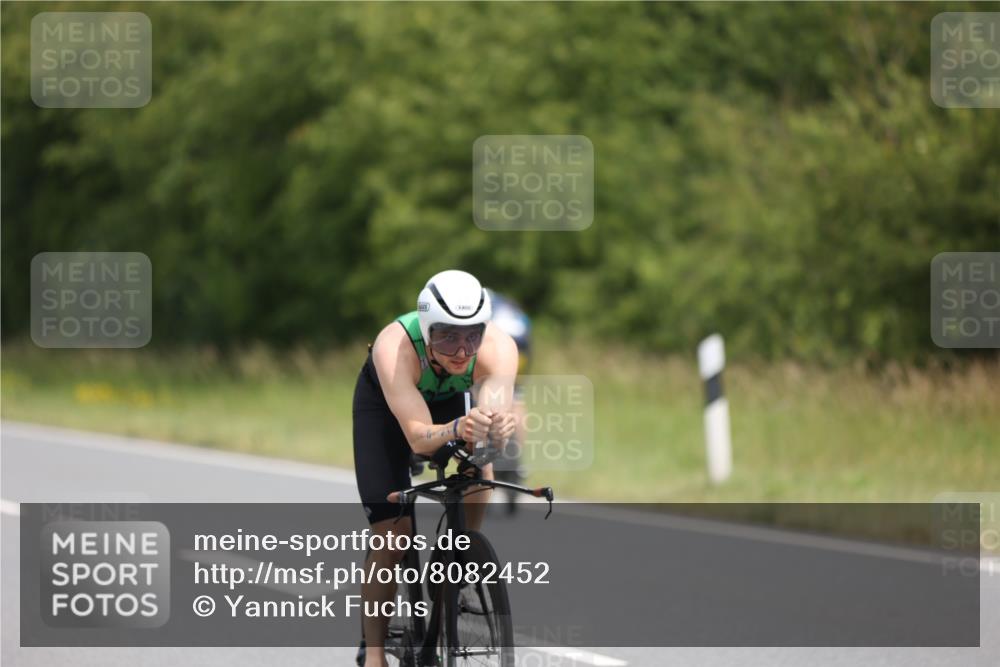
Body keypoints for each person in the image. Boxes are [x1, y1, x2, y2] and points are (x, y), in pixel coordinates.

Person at [352, 269, 519, 667]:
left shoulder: (499, 346)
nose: (462, 350)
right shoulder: (395, 348)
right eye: (447, 335)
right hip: (390, 412)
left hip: (446, 403)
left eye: (471, 335)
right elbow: (417, 437)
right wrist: (459, 427)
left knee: (480, 471)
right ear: (427, 331)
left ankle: (459, 558)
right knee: (393, 535)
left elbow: (493, 408)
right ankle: (373, 653)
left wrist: (496, 425)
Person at [484, 288, 532, 514]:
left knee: (481, 393)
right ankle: (518, 464)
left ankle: (494, 459)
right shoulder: (510, 307)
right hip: (520, 347)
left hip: (498, 348)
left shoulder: (479, 307)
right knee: (515, 396)